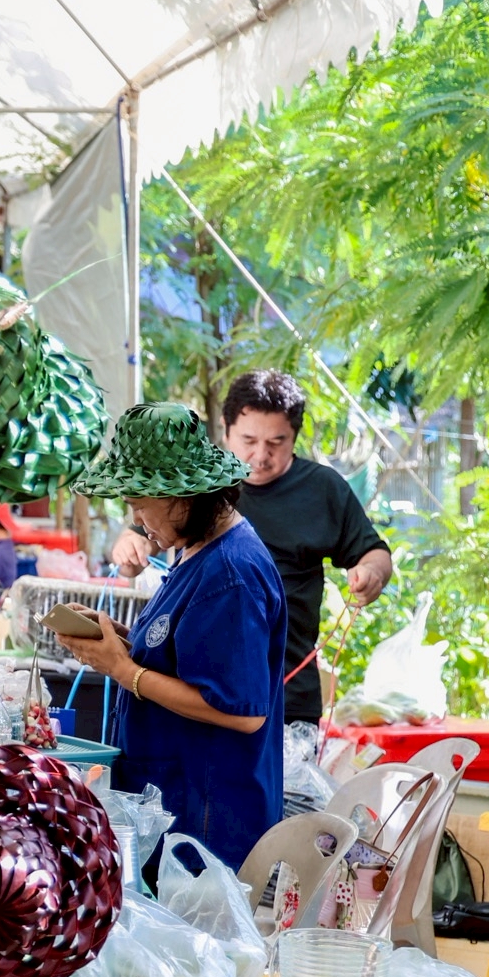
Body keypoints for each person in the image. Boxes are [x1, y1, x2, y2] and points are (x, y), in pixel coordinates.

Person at [62, 403, 286, 869]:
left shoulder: (231, 573)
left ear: (182, 498)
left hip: (207, 818)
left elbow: (241, 711)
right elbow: (181, 653)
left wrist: (124, 670)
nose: (139, 520)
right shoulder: (196, 552)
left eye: (142, 506)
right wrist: (117, 640)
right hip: (173, 800)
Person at [110, 370, 391, 726]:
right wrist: (131, 545)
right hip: (194, 683)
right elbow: (139, 535)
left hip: (284, 693)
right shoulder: (196, 489)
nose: (260, 455)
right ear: (225, 431)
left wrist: (371, 572)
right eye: (248, 440)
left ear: (294, 436)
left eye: (276, 442)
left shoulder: (321, 490)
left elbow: (374, 552)